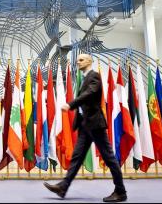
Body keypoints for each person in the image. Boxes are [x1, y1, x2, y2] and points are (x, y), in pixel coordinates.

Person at [43, 54, 127, 202]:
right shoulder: (85, 78)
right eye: (77, 60)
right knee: (77, 157)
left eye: (81, 60)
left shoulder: (94, 76)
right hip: (85, 124)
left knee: (109, 158)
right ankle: (63, 187)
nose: (78, 62)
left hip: (95, 124)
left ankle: (120, 191)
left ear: (89, 61)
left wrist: (71, 104)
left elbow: (90, 94)